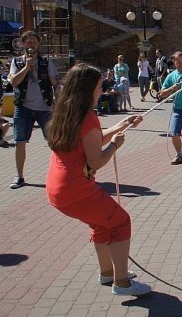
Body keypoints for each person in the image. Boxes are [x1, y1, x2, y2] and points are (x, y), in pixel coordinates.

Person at [45, 63, 151, 296]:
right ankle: (122, 283)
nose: (103, 89)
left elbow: (90, 141)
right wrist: (115, 145)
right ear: (87, 89)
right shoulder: (88, 118)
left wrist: (122, 124)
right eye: (100, 86)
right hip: (76, 189)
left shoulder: (66, 112)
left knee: (102, 224)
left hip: (58, 189)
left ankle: (108, 273)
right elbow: (95, 161)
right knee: (121, 222)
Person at [8, 31, 59, 189]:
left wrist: (59, 96)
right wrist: (26, 67)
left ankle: (59, 176)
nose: (31, 44)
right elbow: (14, 82)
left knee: (54, 142)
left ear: (38, 44)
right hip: (23, 107)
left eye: (33, 42)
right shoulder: (16, 62)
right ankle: (20, 176)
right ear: (23, 44)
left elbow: (55, 82)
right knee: (19, 142)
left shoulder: (46, 62)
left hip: (44, 107)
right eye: (28, 42)